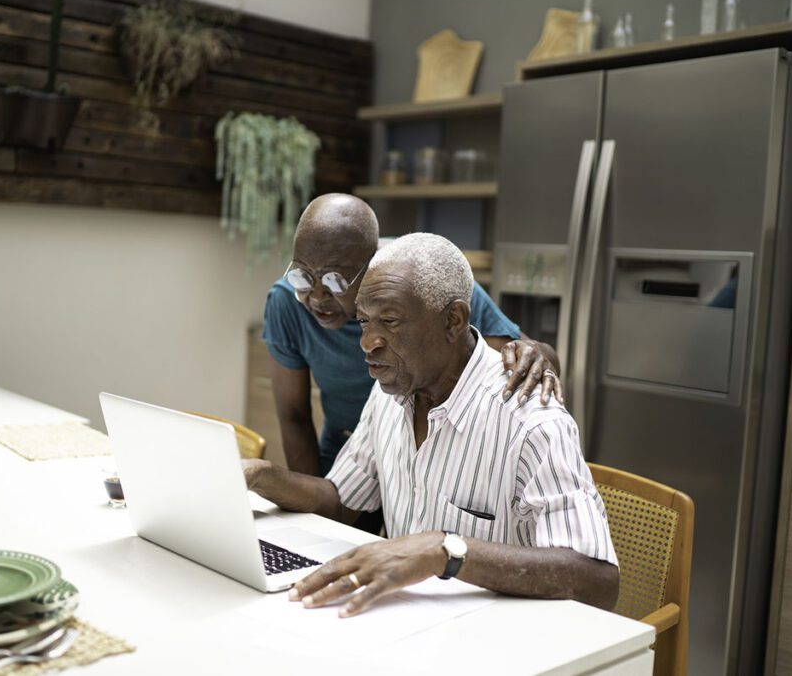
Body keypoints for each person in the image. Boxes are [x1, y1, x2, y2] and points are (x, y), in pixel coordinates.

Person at [244, 233, 618, 617]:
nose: (368, 342)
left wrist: (445, 551)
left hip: (496, 638)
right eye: (363, 322)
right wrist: (260, 475)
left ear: (453, 320)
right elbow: (342, 502)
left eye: (389, 321)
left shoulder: (529, 419)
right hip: (407, 621)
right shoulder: (390, 393)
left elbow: (597, 581)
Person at [263, 193, 562, 478]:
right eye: (302, 275)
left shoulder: (421, 279)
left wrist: (538, 354)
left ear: (371, 265)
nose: (316, 296)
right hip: (347, 445)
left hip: (426, 444)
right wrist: (311, 515)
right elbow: (294, 415)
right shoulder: (287, 301)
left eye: (334, 280)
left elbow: (523, 356)